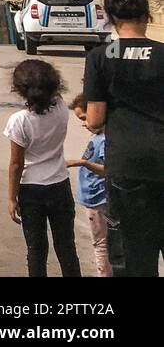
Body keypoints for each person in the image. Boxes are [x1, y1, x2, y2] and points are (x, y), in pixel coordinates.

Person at [83, 0, 164, 276]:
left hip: (126, 166)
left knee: (132, 257)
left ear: (112, 20)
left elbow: (94, 119)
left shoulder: (100, 57)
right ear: (146, 16)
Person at [5, 59, 80, 277]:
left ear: (20, 90)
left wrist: (11, 197)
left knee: (36, 250)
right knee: (66, 247)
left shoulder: (19, 121)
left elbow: (16, 164)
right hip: (59, 183)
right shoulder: (61, 108)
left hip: (31, 189)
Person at [66, 92, 111, 277]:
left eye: (85, 118)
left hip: (98, 199)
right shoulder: (99, 135)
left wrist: (81, 163)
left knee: (100, 243)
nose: (84, 123)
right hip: (94, 197)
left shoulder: (105, 139)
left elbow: (106, 169)